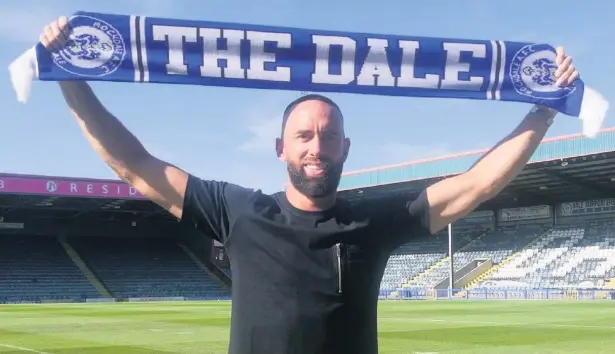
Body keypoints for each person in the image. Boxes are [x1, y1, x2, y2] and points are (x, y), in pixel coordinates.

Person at [40, 16, 580, 354]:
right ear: (281, 148)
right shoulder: (238, 211)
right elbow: (134, 164)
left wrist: (545, 108)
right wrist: (71, 77)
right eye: (303, 136)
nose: (316, 147)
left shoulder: (375, 220)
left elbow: (477, 184)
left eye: (328, 136)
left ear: (346, 147)